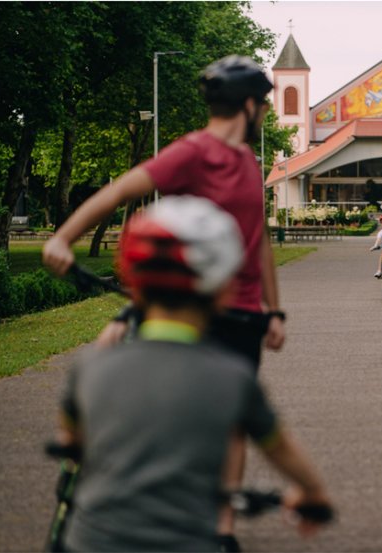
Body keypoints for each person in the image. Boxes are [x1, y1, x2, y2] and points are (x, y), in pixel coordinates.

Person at [57, 196, 332, 552]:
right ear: (224, 289)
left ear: (133, 283)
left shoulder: (90, 366)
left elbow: (70, 438)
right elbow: (279, 448)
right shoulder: (230, 378)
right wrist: (312, 492)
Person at [42, 55, 284, 369]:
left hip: (245, 319)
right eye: (264, 105)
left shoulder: (248, 160)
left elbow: (258, 236)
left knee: (232, 411)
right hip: (194, 315)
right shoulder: (193, 152)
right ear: (250, 106)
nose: (265, 112)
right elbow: (118, 191)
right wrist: (62, 239)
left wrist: (274, 311)